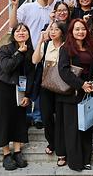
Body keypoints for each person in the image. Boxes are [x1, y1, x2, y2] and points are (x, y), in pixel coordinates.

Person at [9, 0, 54, 129]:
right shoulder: (28, 7)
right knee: (26, 83)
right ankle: (27, 115)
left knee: (41, 84)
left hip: (44, 53)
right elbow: (14, 25)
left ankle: (38, 116)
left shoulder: (52, 10)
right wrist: (14, 7)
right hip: (27, 52)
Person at [0, 23, 34, 171]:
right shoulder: (5, 49)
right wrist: (19, 53)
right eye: (18, 31)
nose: (21, 32)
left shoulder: (31, 51)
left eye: (24, 30)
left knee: (19, 118)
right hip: (3, 87)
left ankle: (17, 151)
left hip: (20, 89)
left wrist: (28, 95)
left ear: (28, 34)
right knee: (3, 119)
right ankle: (6, 154)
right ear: (13, 34)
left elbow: (31, 75)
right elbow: (7, 67)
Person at [56, 19, 93, 171]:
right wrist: (81, 84)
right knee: (72, 128)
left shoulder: (91, 47)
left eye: (83, 29)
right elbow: (63, 71)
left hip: (88, 92)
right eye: (77, 29)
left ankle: (86, 159)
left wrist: (90, 84)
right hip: (71, 93)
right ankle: (75, 162)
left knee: (86, 127)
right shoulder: (66, 48)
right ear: (71, 31)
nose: (80, 31)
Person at [31, 21, 66, 156]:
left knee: (61, 117)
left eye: (56, 29)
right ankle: (51, 142)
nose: (52, 32)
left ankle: (60, 144)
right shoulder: (46, 45)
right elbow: (34, 60)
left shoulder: (67, 46)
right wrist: (40, 41)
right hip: (47, 85)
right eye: (50, 29)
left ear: (62, 32)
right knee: (46, 116)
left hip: (62, 86)